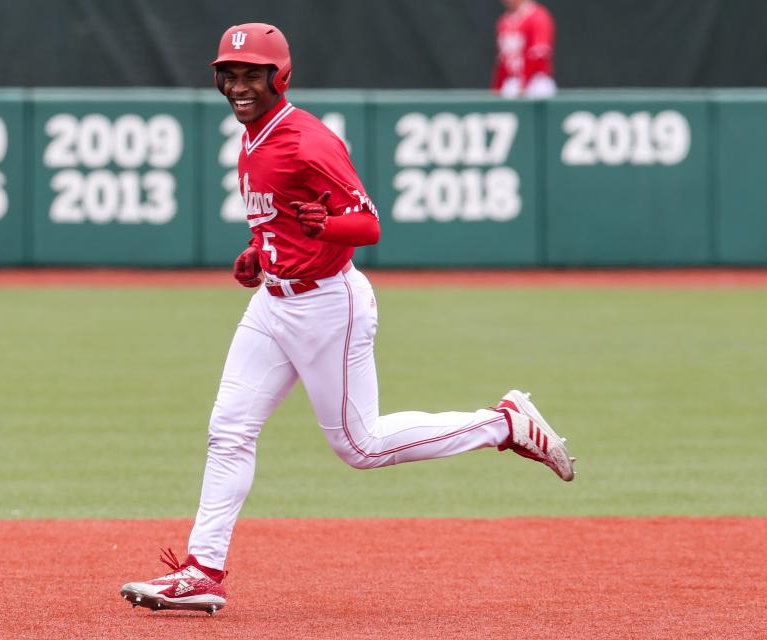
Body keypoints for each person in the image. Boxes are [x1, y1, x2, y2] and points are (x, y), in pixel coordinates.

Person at [120, 22, 575, 616]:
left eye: (252, 74)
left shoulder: (308, 140)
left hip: (329, 305)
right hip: (274, 304)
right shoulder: (254, 138)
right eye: (229, 74)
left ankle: (503, 424)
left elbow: (367, 225)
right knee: (228, 431)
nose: (238, 85)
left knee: (362, 447)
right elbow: (283, 216)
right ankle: (203, 570)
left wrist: (322, 228)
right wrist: (262, 252)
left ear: (279, 76)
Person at [492, 0, 557, 99]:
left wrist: (524, 85)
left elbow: (539, 55)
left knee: (540, 88)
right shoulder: (504, 21)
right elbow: (502, 61)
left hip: (536, 82)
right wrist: (497, 88)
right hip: (512, 82)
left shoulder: (537, 16)